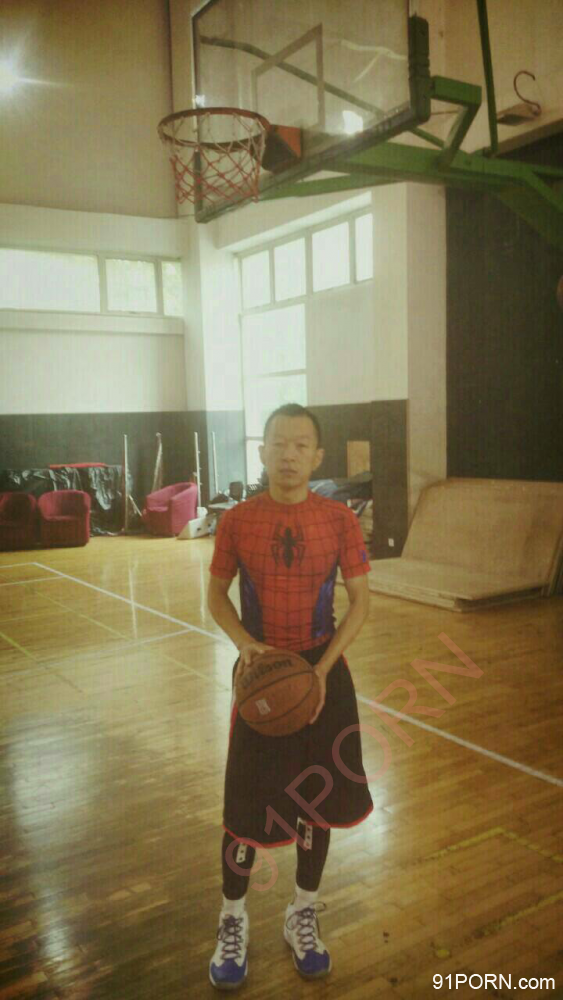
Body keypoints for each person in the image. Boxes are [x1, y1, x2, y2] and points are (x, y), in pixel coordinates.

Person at [207, 403, 373, 990]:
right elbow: (215, 597)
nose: (289, 454)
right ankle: (232, 917)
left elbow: (361, 603)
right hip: (262, 676)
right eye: (278, 443)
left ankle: (302, 909)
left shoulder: (340, 519)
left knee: (316, 800)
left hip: (323, 676)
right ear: (262, 451)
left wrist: (323, 669)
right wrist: (246, 645)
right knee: (244, 805)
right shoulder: (236, 520)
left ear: (318, 456)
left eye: (301, 445)